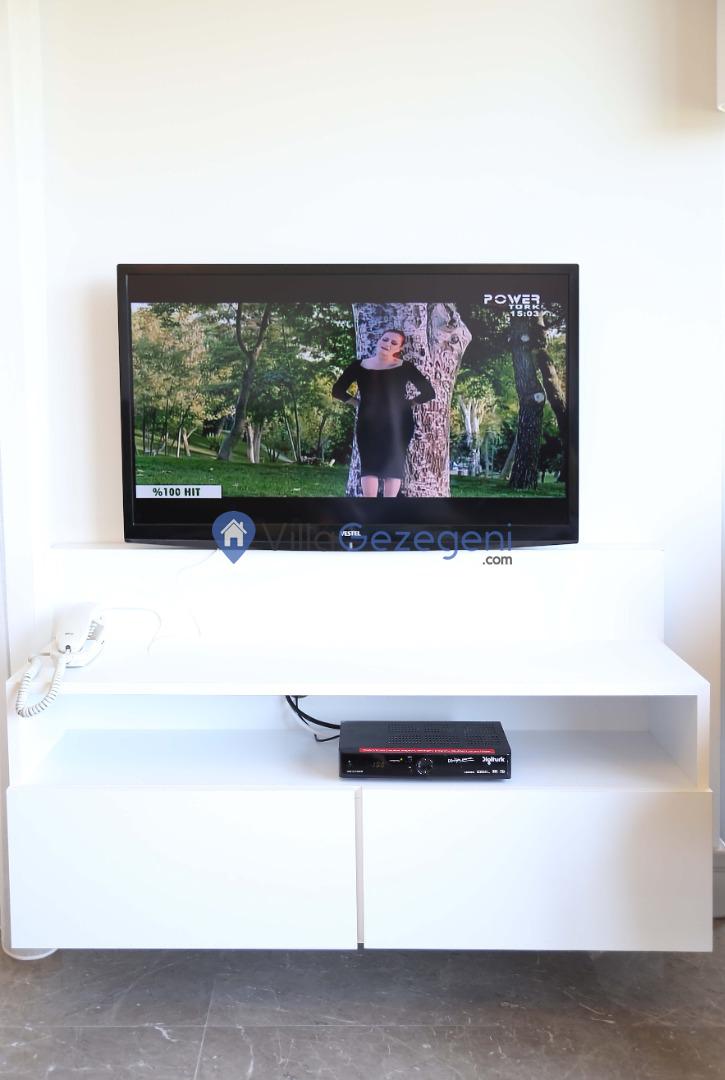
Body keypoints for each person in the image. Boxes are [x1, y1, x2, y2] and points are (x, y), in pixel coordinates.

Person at [332, 329, 435, 497]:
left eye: (394, 343)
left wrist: (406, 404)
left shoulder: (405, 367)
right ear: (379, 340)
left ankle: (388, 508)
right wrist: (358, 403)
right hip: (368, 423)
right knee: (369, 466)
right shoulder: (358, 365)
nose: (387, 344)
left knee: (393, 468)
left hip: (399, 423)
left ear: (399, 349)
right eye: (385, 339)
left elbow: (428, 392)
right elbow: (337, 390)